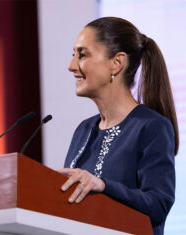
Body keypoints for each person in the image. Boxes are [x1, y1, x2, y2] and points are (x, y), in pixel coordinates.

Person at [57, 17, 178, 235]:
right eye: (73, 54)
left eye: (82, 55)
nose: (71, 65)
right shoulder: (84, 130)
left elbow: (158, 205)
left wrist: (103, 185)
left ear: (117, 62)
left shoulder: (152, 127)